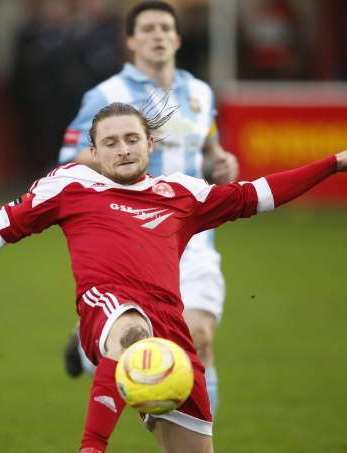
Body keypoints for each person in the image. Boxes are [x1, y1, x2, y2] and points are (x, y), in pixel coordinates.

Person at [0, 101, 347, 453]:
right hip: (106, 310)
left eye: (131, 139)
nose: (121, 149)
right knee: (130, 329)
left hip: (172, 335)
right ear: (94, 151)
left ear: (150, 144)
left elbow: (259, 194)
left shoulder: (183, 194)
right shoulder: (70, 186)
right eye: (109, 142)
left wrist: (334, 163)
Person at [59, 0, 237, 422]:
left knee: (199, 335)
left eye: (165, 28)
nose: (157, 35)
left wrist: (221, 161)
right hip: (132, 237)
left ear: (177, 38)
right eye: (148, 29)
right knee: (137, 340)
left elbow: (209, 147)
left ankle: (198, 445)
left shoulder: (199, 93)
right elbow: (68, 157)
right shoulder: (106, 96)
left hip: (193, 237)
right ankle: (92, 351)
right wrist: (122, 161)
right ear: (131, 41)